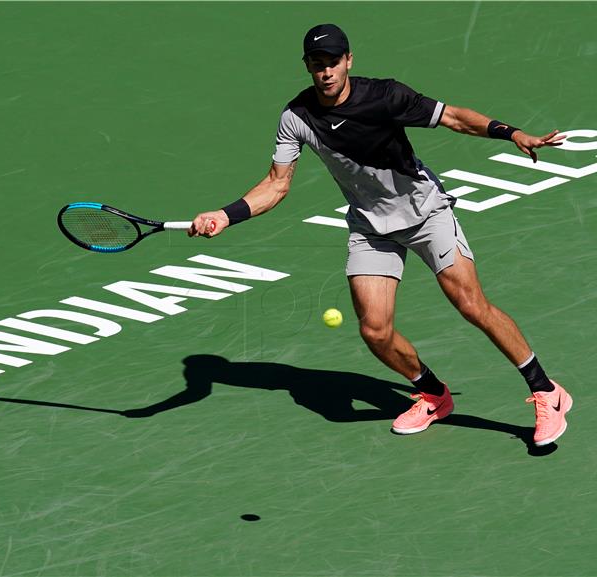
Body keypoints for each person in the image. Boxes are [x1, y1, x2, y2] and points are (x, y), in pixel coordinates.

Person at [188, 23, 573, 447]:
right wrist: (227, 215)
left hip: (426, 213)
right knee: (375, 330)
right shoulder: (295, 117)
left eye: (333, 62)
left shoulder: (385, 96)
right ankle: (433, 394)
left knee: (470, 303)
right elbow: (277, 184)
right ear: (307, 67)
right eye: (317, 65)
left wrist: (512, 133)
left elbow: (453, 117)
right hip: (371, 226)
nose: (326, 72)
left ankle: (545, 390)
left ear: (348, 60)